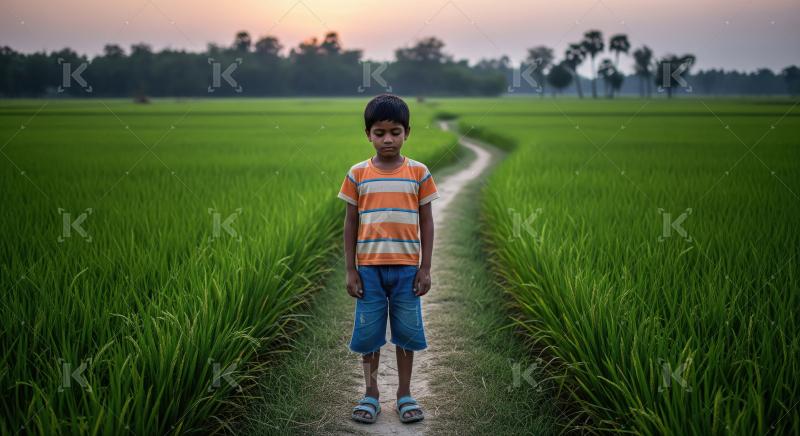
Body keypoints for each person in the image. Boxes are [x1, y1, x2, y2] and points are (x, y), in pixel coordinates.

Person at [337, 93, 439, 424]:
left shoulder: (419, 173)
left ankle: (405, 393)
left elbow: (427, 221)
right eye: (379, 133)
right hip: (368, 270)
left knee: (407, 333)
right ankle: (371, 394)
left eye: (395, 132)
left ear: (407, 132)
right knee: (369, 335)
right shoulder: (357, 174)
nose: (387, 139)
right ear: (368, 134)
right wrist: (351, 269)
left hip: (407, 270)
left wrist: (425, 267)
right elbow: (351, 223)